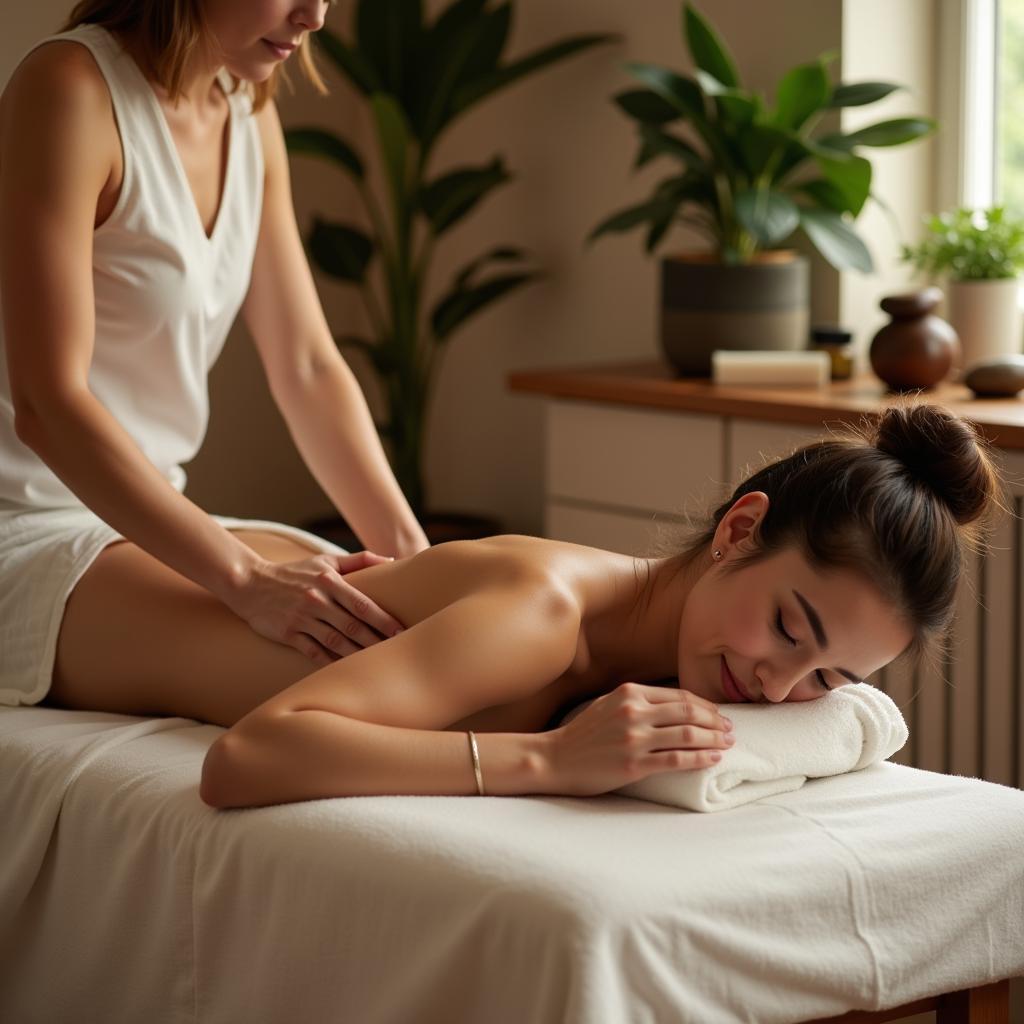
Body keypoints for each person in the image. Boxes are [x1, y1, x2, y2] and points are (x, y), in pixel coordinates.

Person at [194, 403, 1002, 808]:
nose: (779, 688)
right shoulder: (544, 615)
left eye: (828, 680)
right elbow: (246, 759)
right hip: (83, 601)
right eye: (790, 628)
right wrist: (549, 761)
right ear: (741, 527)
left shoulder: (656, 652)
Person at [0, 2, 431, 717]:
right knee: (383, 679)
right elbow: (48, 405)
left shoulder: (247, 115)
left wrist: (414, 549)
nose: (316, 16)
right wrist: (246, 580)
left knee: (445, 603)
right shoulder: (71, 89)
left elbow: (307, 367)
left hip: (146, 518)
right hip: (25, 531)